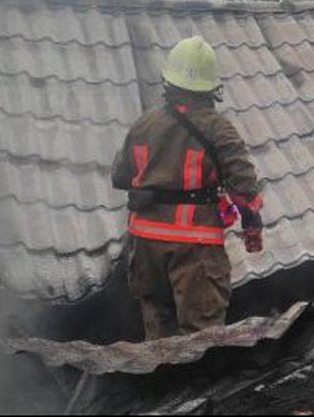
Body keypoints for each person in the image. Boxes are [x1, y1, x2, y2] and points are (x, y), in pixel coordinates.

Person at [111, 36, 263, 340]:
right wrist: (252, 225)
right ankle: (198, 388)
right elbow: (244, 188)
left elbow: (119, 176)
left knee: (159, 335)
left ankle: (164, 386)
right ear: (210, 87)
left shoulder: (144, 124)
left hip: (145, 246)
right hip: (195, 247)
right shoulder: (217, 127)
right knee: (202, 340)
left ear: (169, 80)